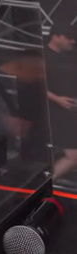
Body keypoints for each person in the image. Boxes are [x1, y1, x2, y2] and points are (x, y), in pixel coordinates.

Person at [44, 23, 77, 181]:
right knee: (73, 156)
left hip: (71, 112)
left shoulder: (71, 55)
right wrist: (57, 99)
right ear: (55, 37)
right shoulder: (42, 57)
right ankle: (42, 185)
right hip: (56, 114)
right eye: (68, 38)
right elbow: (33, 87)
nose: (73, 41)